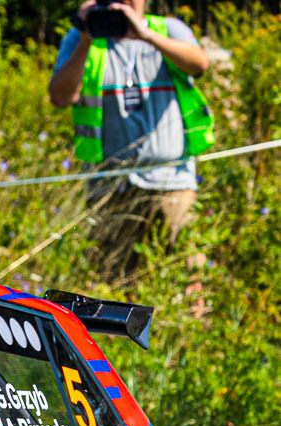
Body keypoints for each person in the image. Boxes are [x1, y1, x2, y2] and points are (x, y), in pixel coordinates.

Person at [48, 1, 212, 282]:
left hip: (173, 182)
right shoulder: (83, 37)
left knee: (187, 279)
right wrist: (86, 38)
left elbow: (199, 63)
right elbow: (61, 97)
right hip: (110, 186)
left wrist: (146, 35)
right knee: (111, 283)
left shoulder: (168, 29)